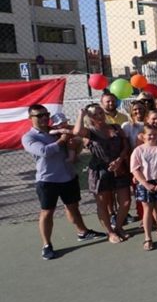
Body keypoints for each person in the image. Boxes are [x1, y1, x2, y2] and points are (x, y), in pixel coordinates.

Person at [22, 105, 104, 260]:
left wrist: (75, 144)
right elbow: (44, 152)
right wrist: (62, 140)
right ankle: (47, 245)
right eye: (39, 116)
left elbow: (76, 140)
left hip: (68, 177)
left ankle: (82, 232)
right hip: (47, 181)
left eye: (45, 114)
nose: (44, 118)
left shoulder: (58, 130)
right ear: (30, 118)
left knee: (73, 207)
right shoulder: (29, 137)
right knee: (47, 212)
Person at [74, 104, 132, 243]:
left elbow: (126, 146)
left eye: (101, 112)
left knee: (126, 201)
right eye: (95, 114)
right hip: (100, 171)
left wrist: (119, 159)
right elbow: (76, 132)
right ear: (90, 117)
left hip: (120, 168)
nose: (100, 116)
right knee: (103, 204)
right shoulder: (89, 132)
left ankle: (118, 227)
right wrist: (81, 115)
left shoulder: (116, 128)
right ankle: (110, 232)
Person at [130, 125, 157, 250]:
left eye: (155, 134)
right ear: (143, 136)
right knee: (147, 210)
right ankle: (148, 238)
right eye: (149, 134)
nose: (152, 136)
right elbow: (135, 170)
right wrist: (145, 183)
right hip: (145, 183)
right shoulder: (138, 150)